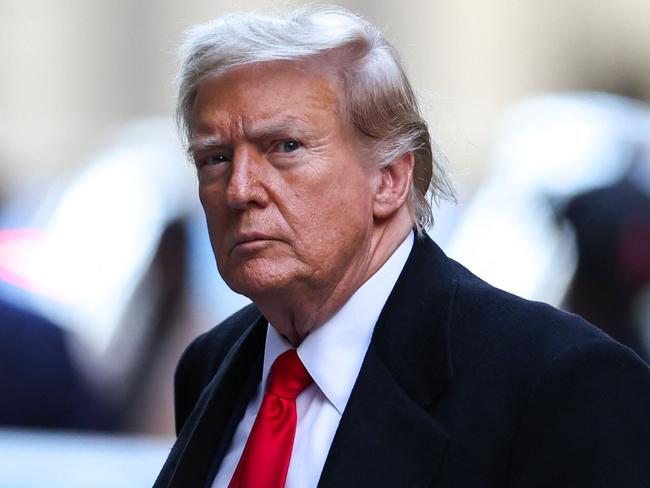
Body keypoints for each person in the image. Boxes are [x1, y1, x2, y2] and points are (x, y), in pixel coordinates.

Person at [155, 6, 650, 487]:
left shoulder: (560, 382)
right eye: (215, 157)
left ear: (390, 179)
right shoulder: (210, 364)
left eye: (285, 147)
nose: (240, 189)